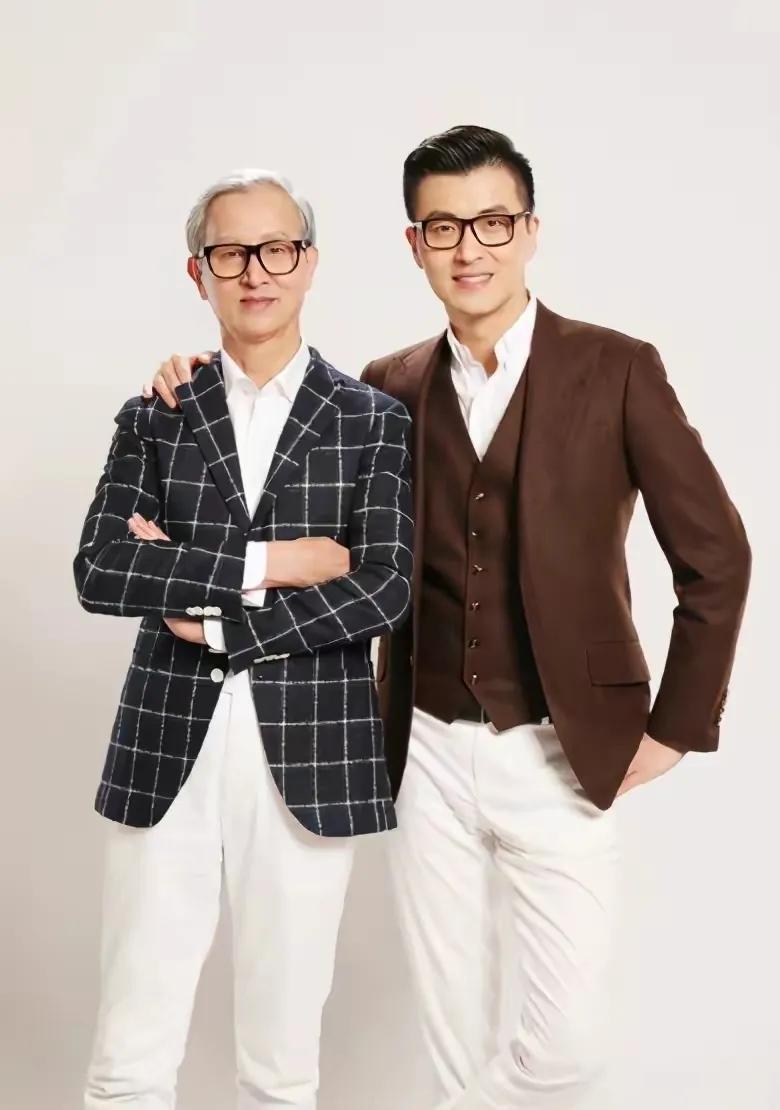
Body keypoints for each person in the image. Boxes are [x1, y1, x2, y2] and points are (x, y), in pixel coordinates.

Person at [143, 128, 751, 1110]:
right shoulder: (386, 384)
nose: (470, 248)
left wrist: (678, 725)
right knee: (454, 1041)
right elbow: (309, 533)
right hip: (421, 741)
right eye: (443, 227)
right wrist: (195, 384)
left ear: (530, 231)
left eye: (492, 223)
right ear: (414, 243)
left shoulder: (618, 368)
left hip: (564, 746)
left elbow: (717, 555)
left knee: (569, 1047)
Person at [74, 168, 413, 1110]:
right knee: (129, 1052)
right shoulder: (156, 413)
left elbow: (382, 588)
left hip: (312, 753)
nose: (255, 271)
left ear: (309, 262)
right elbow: (102, 569)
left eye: (277, 249)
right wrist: (279, 561)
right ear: (199, 272)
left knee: (281, 1064)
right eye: (230, 253)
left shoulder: (373, 421)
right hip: (165, 744)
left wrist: (215, 608)